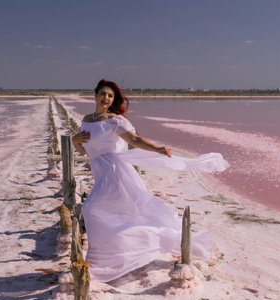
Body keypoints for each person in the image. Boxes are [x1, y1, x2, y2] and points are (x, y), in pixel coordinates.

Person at [72, 79, 229, 282]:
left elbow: (135, 140)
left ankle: (99, 262)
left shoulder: (115, 121)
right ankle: (108, 257)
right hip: (100, 170)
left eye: (110, 96)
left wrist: (157, 149)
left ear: (113, 100)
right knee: (114, 213)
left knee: (93, 209)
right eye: (103, 94)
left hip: (116, 172)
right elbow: (85, 151)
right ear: (95, 95)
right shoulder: (86, 120)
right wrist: (75, 141)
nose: (106, 98)